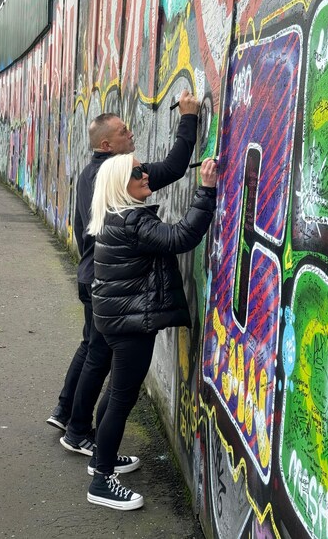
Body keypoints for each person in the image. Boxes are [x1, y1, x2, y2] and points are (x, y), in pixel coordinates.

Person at [46, 91, 201, 457]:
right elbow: (174, 168)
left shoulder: (91, 173)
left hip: (95, 278)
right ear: (106, 143)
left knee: (93, 348)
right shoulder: (116, 175)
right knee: (100, 358)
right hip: (106, 282)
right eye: (123, 132)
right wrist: (190, 117)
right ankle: (81, 432)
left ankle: (66, 413)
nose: (131, 134)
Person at [86, 154, 218, 510]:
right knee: (121, 398)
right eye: (136, 172)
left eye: (142, 168)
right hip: (129, 324)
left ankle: (103, 457)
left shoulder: (116, 216)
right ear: (119, 184)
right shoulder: (132, 221)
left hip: (117, 319)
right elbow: (180, 237)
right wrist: (206, 191)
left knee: (116, 390)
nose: (146, 174)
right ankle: (102, 479)